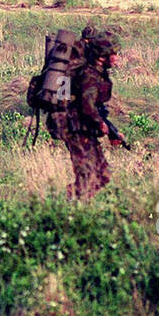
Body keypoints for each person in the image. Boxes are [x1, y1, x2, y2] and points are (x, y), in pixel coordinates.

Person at [61, 30, 124, 200]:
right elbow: (87, 106)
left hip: (85, 131)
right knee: (88, 176)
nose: (117, 57)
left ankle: (72, 202)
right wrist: (101, 125)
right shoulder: (89, 75)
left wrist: (112, 131)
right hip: (76, 131)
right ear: (103, 55)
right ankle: (69, 206)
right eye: (114, 53)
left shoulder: (98, 73)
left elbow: (96, 108)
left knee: (103, 175)